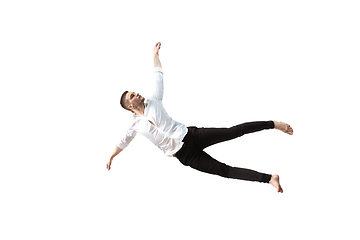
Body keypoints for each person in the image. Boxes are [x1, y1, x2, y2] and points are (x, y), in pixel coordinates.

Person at [106, 42, 293, 193]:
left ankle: (274, 124)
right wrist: (111, 157)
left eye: (134, 92)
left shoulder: (153, 99)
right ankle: (269, 178)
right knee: (224, 171)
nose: (136, 94)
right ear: (130, 106)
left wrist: (154, 56)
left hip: (191, 136)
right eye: (132, 96)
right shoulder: (134, 124)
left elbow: (158, 76)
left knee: (234, 131)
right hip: (185, 155)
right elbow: (123, 141)